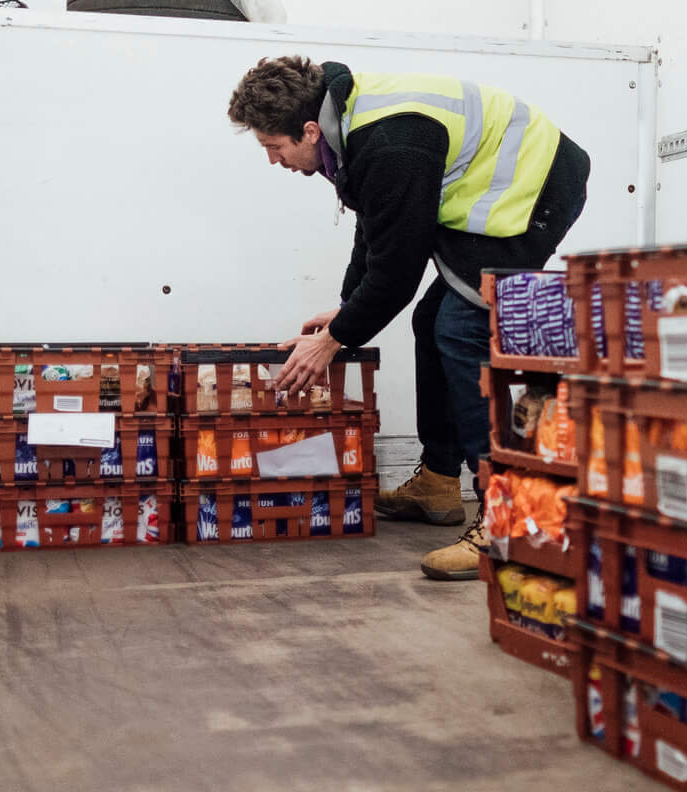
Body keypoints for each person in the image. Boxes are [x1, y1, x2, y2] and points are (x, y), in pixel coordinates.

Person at [228, 56, 588, 580]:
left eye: (273, 147)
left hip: (534, 187)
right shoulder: (347, 123)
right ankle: (440, 481)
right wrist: (347, 310)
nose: (272, 160)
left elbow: (399, 268)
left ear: (307, 131)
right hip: (503, 183)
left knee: (461, 329)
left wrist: (335, 339)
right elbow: (377, 229)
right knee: (432, 319)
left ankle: (508, 516)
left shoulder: (389, 143)